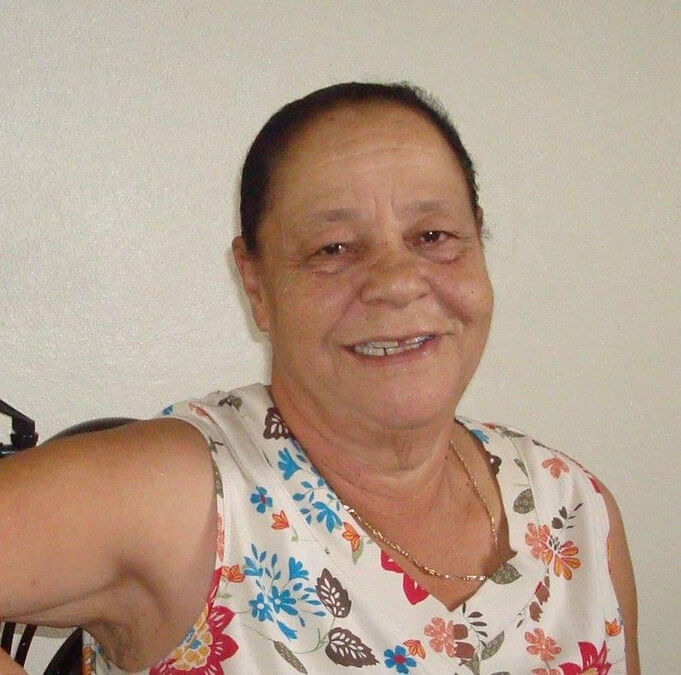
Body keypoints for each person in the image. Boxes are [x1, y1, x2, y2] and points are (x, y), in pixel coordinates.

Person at [1, 82, 639, 674]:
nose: (397, 282)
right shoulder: (181, 496)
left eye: (434, 235)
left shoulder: (575, 514)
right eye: (333, 248)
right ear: (257, 285)